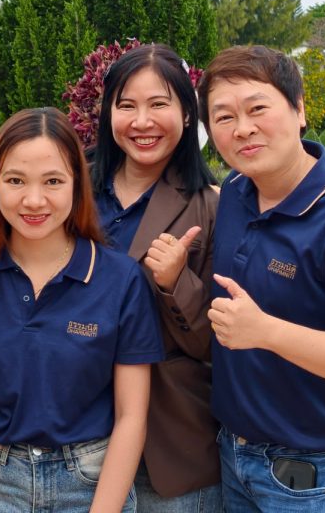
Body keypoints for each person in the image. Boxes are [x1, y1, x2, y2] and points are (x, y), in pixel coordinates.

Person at [198, 45, 325, 513]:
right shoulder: (236, 191)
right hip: (233, 455)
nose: (242, 128)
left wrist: (265, 331)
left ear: (299, 109)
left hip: (317, 474)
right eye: (224, 116)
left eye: (257, 109)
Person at [0, 107, 164, 513]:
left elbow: (132, 415)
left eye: (53, 181)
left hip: (91, 481)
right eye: (15, 181)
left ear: (77, 183)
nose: (34, 200)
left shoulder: (120, 279)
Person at [91, 44, 222, 511]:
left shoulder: (213, 207)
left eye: (158, 104)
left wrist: (175, 284)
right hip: (72, 439)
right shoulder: (70, 190)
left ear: (187, 113)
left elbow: (218, 346)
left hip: (167, 450)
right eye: (126, 105)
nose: (141, 121)